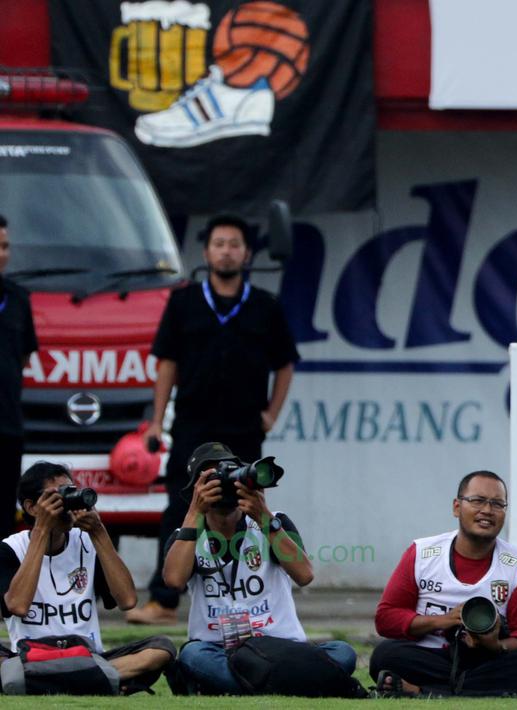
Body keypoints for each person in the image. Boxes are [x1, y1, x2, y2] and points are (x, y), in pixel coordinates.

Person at [128, 215, 299, 624]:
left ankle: (247, 594)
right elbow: (167, 364)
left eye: (234, 244)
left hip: (244, 428)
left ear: (247, 254)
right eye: (219, 244)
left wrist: (271, 414)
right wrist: (157, 421)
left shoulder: (265, 306)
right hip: (193, 425)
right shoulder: (184, 302)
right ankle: (164, 600)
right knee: (182, 505)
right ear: (206, 253)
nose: (226, 251)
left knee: (245, 506)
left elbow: (285, 363)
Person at [161, 442, 356, 694]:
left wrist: (264, 517)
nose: (224, 483)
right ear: (196, 490)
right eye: (213, 478)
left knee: (343, 652)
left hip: (280, 646)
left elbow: (305, 575)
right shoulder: (185, 536)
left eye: (229, 474)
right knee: (193, 655)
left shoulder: (275, 522)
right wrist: (194, 513)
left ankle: (244, 685)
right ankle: (296, 684)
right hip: (218, 648)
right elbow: (174, 580)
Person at [370, 470, 517, 697]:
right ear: (457, 507)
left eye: (497, 504)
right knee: (384, 655)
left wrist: (495, 644)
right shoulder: (422, 553)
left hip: (488, 660)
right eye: (477, 500)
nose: (487, 510)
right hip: (432, 655)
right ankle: (498, 690)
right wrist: (444, 620)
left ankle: (421, 690)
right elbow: (386, 618)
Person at [0, 462, 175, 694]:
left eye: (71, 492)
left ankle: (40, 682)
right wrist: (42, 530)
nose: (67, 503)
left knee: (161, 649)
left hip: (87, 655)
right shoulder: (10, 549)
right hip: (31, 656)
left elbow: (128, 600)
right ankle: (95, 679)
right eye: (57, 496)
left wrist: (99, 532)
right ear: (32, 507)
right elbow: (18, 606)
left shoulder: (87, 541)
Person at [0, 214, 38, 540]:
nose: (2, 253)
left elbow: (24, 356)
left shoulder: (18, 299)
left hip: (7, 424)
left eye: (5, 246)